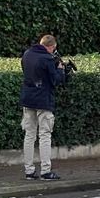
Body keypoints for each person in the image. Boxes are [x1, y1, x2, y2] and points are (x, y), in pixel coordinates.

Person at [20, 34, 67, 180]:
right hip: (44, 100)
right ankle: (46, 171)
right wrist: (60, 69)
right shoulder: (47, 59)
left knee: (29, 135)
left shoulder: (27, 54)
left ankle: (29, 171)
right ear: (51, 46)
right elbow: (56, 80)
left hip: (28, 98)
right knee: (45, 135)